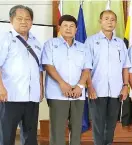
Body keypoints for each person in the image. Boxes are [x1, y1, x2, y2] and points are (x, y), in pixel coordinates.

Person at [42, 14, 91, 145]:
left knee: (76, 130)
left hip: (78, 94)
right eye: (65, 26)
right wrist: (62, 84)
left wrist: (80, 86)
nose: (68, 29)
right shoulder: (50, 44)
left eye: (72, 26)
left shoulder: (83, 47)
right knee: (57, 131)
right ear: (59, 27)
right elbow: (48, 66)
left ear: (76, 29)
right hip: (57, 93)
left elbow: (87, 69)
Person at [0, 5, 43, 145]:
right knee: (6, 136)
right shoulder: (5, 39)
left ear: (31, 22)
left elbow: (39, 69)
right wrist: (1, 88)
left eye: (28, 19)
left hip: (32, 98)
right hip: (10, 97)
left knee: (30, 138)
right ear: (11, 20)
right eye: (20, 18)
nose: (24, 22)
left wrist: (41, 89)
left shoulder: (36, 42)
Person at [85, 10, 129, 145]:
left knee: (111, 124)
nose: (110, 22)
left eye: (113, 19)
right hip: (97, 90)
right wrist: (90, 87)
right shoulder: (91, 41)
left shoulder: (120, 43)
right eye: (106, 19)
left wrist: (125, 86)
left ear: (115, 23)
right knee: (98, 124)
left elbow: (125, 66)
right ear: (100, 21)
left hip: (116, 91)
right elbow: (86, 67)